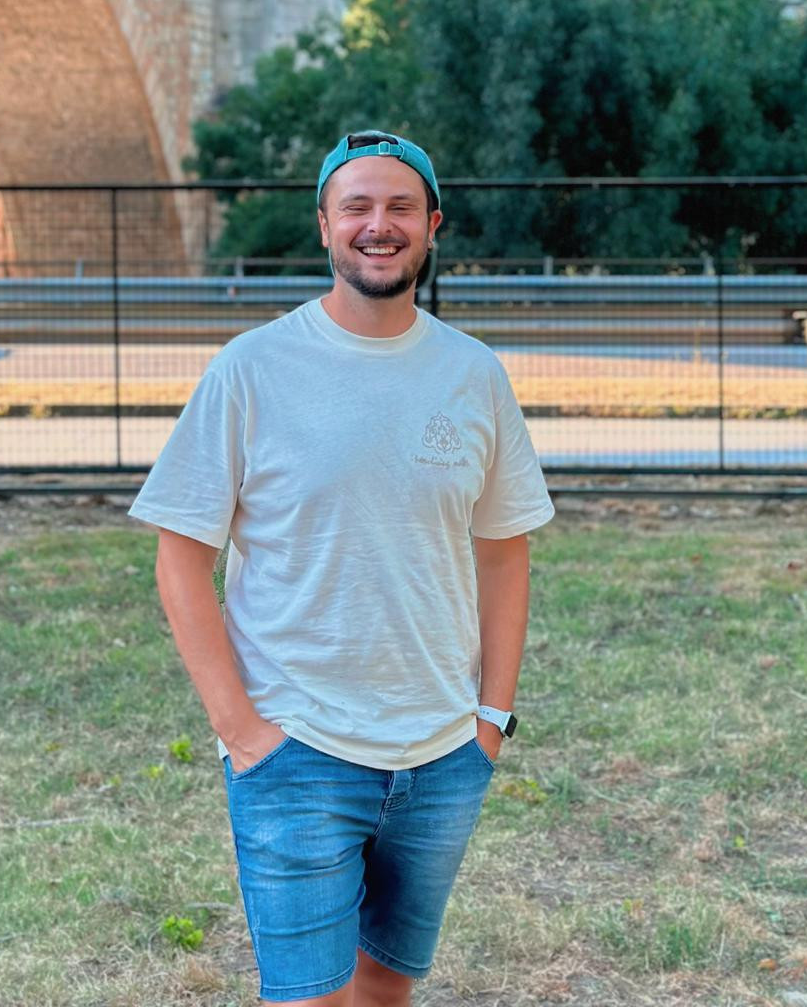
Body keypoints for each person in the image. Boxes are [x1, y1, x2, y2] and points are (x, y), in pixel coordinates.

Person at [127, 130, 555, 1006]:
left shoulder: (473, 374)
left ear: (432, 225)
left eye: (401, 207)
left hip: (442, 754)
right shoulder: (252, 369)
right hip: (297, 752)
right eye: (356, 206)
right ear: (324, 225)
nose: (378, 225)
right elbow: (181, 560)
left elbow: (505, 550)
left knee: (386, 988)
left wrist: (490, 721)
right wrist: (244, 732)